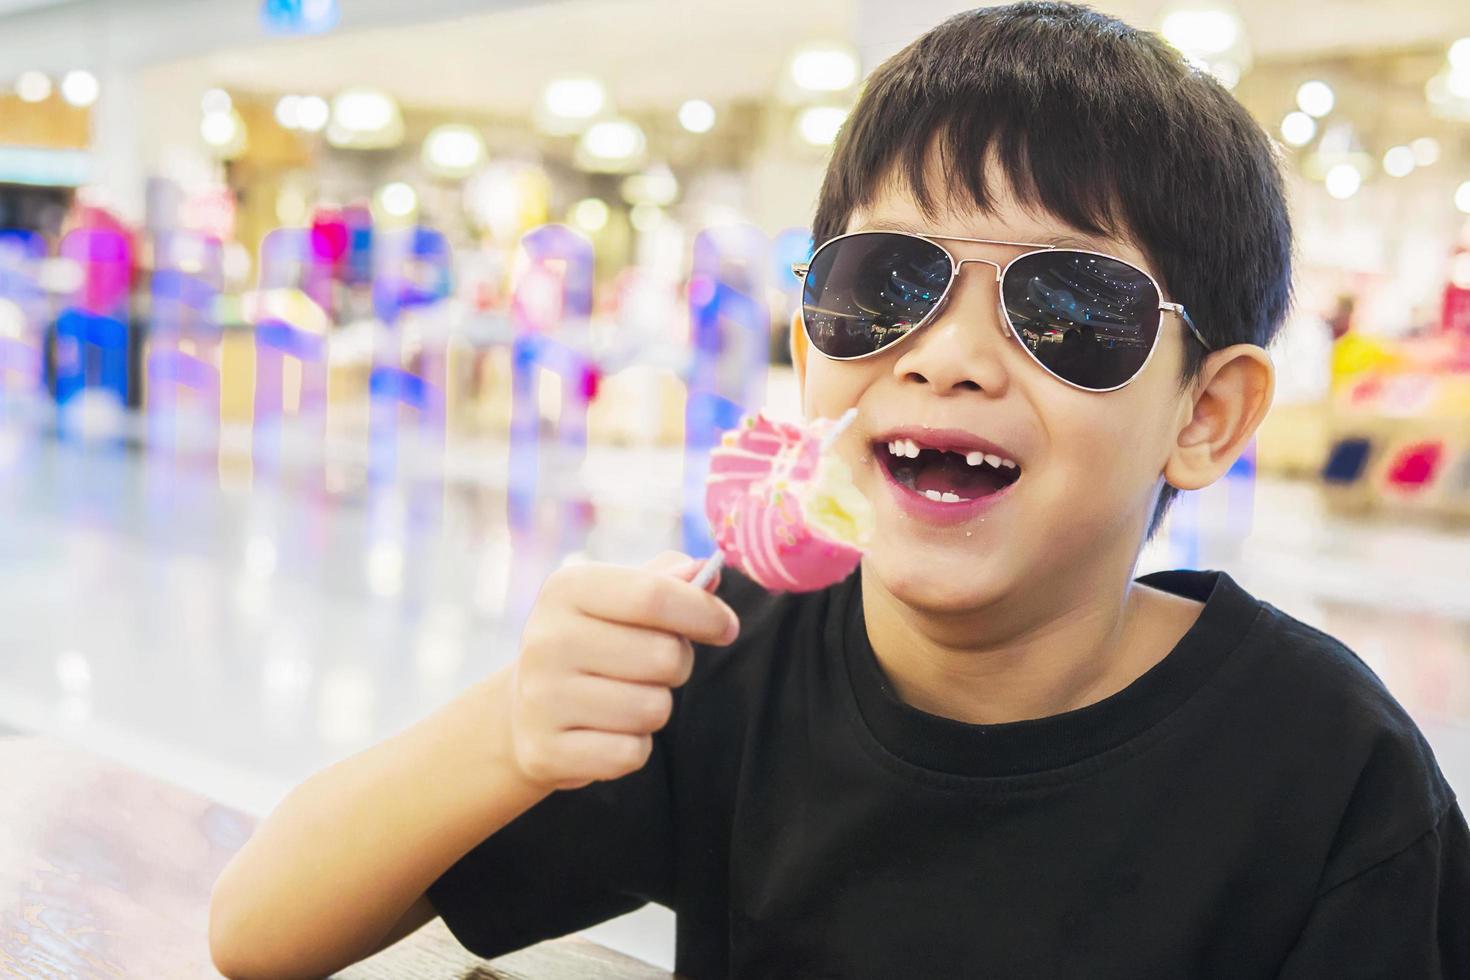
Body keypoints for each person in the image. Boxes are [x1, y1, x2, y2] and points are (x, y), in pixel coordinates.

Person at [208, 4, 1470, 977]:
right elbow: (259, 927)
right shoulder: (724, 662)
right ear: (810, 351)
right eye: (886, 280)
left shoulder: (1331, 779)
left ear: (1205, 414)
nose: (949, 354)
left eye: (1069, 305)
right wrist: (511, 726)